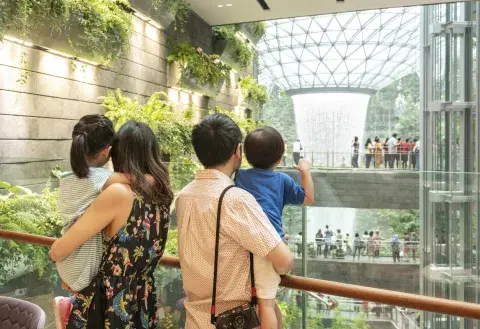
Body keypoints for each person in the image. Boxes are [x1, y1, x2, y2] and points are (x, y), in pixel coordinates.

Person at [50, 121, 173, 329]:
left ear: (117, 153)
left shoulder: (118, 194)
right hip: (143, 299)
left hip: (106, 304)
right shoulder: (162, 196)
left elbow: (62, 248)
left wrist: (59, 259)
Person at [175, 114, 294, 329]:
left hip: (195, 319)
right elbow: (284, 261)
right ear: (237, 151)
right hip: (232, 320)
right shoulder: (234, 199)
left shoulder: (184, 195)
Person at [235, 126, 314, 329]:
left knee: (265, 299)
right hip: (270, 246)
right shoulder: (282, 180)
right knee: (266, 303)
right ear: (280, 158)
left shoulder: (240, 176)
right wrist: (305, 171)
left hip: (245, 244)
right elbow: (308, 198)